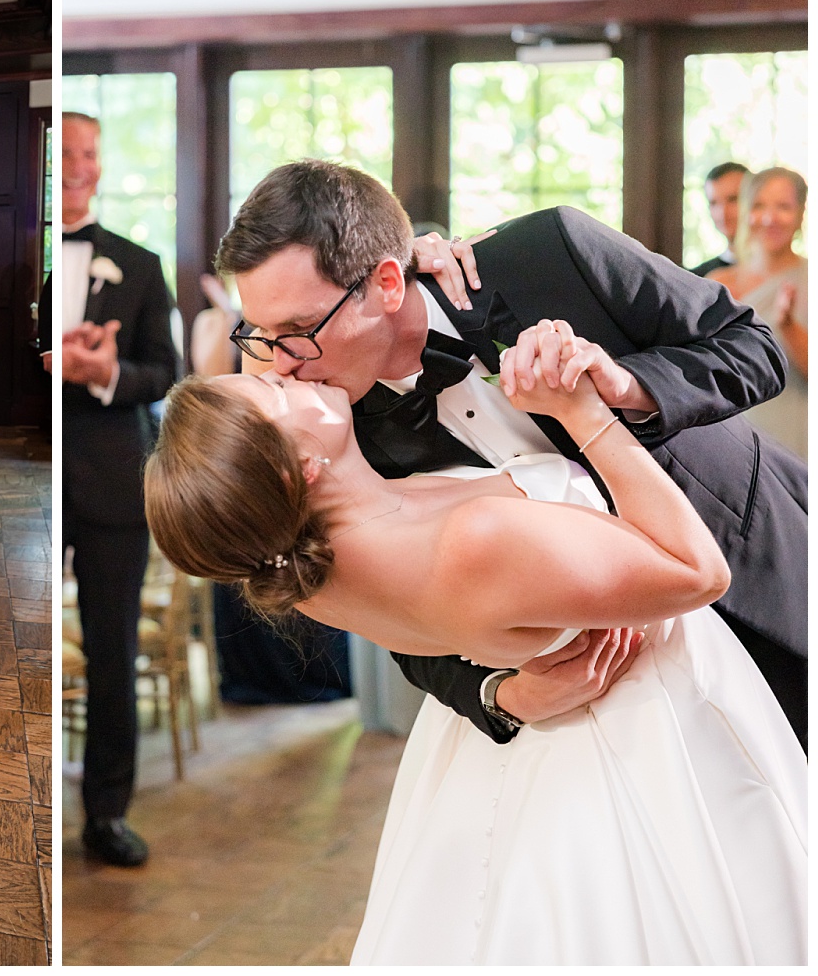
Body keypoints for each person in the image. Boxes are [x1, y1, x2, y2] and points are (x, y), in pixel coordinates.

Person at [144, 355, 805, 964]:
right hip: (642, 735)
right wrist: (583, 413)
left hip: (493, 756)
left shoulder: (307, 574)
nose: (288, 367)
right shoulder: (470, 542)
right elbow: (698, 572)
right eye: (274, 389)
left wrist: (498, 693)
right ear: (298, 469)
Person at [215, 160, 805, 746]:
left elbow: (753, 349)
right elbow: (401, 609)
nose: (280, 361)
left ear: (389, 284)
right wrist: (499, 695)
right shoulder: (334, 433)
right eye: (261, 334)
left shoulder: (548, 251)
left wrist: (624, 385)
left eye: (300, 328)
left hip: (755, 557)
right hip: (619, 708)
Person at [60, 111, 179, 867]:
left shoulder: (139, 264)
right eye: (66, 154)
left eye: (89, 154)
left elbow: (164, 373)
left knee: (111, 653)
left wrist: (107, 375)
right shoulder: (29, 261)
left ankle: (106, 812)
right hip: (44, 474)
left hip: (112, 482)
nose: (77, 166)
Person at [707, 166, 807, 459]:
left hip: (793, 442)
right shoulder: (717, 282)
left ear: (801, 213)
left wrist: (787, 326)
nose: (769, 218)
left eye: (783, 207)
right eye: (759, 206)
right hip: (727, 442)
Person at [690, 161, 748, 276]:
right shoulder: (698, 278)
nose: (723, 213)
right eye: (714, 203)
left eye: (733, 199)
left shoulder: (786, 272)